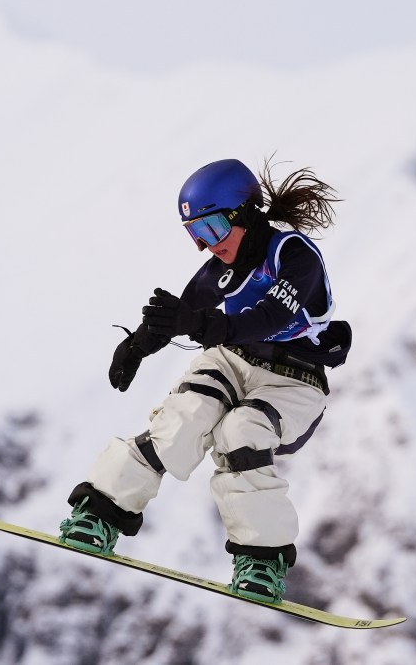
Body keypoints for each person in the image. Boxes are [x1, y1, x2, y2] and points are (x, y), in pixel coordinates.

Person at [59, 158, 352, 604]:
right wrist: (137, 346)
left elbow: (271, 316)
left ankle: (262, 559)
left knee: (242, 433)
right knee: (185, 415)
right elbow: (183, 313)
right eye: (196, 234)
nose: (206, 246)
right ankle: (100, 511)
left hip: (295, 380)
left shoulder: (293, 255)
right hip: (233, 359)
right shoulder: (219, 271)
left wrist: (207, 325)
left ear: (244, 213)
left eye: (212, 228)